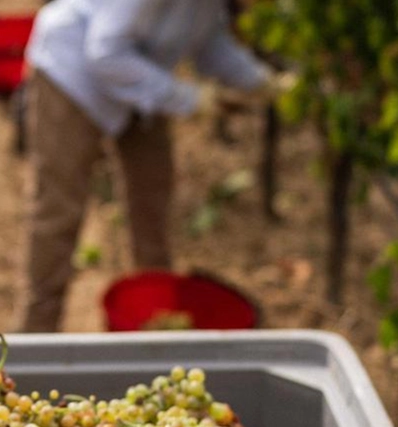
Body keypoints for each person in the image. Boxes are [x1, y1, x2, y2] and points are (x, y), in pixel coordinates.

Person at [20, 0, 287, 332]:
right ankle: (37, 332)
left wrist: (262, 81)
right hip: (75, 73)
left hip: (142, 74)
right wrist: (188, 98)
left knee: (153, 198)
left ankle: (150, 314)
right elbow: (105, 51)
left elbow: (210, 43)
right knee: (60, 208)